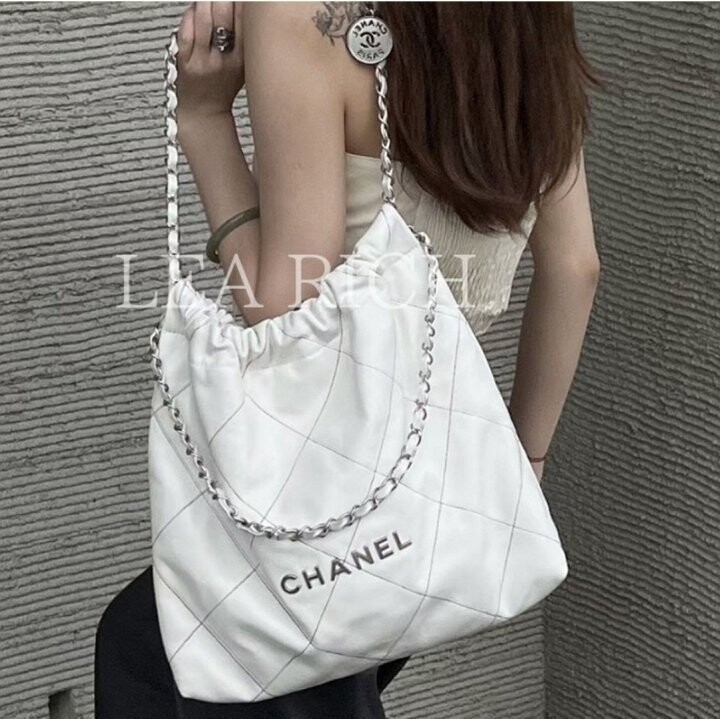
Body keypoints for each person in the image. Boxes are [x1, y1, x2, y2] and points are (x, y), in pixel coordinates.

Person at [95, 2, 603, 717]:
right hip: (426, 487)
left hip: (323, 485)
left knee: (152, 658)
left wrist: (205, 122)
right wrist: (521, 465)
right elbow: (576, 266)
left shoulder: (299, 14)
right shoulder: (529, 21)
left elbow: (285, 312)